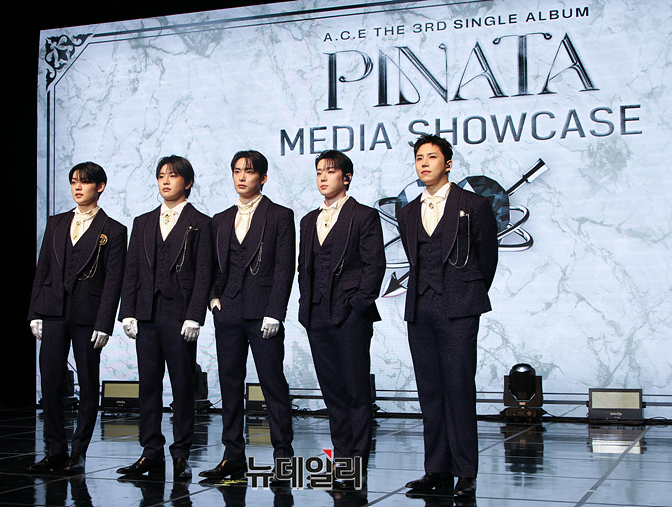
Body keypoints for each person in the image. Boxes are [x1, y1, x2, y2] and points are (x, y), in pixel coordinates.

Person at [397, 135, 498, 498]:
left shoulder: (474, 204)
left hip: (459, 307)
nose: (424, 163)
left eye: (432, 157)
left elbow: (487, 259)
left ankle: (465, 472)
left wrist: (465, 290)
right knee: (429, 391)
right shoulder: (407, 211)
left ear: (449, 164)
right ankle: (437, 469)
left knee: (459, 388)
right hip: (420, 308)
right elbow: (414, 256)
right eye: (419, 158)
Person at [199, 150, 295, 480]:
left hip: (263, 314)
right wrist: (213, 298)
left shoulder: (280, 215)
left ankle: (283, 457)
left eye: (249, 171)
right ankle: (233, 456)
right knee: (229, 385)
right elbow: (213, 265)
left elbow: (284, 268)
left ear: (263, 178)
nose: (242, 177)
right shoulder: (220, 219)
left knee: (273, 385)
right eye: (237, 171)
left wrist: (275, 312)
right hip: (228, 312)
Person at [116, 155, 213, 479]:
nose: (165, 181)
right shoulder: (143, 222)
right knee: (148, 385)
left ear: (187, 182)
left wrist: (195, 315)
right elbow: (131, 269)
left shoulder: (201, 222)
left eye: (172, 176)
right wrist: (127, 311)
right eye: (161, 176)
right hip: (146, 314)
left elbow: (204, 273)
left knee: (183, 386)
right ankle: (151, 452)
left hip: (179, 315)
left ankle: (181, 453)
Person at [28, 161, 127, 474]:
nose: (77, 187)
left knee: (87, 383)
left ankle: (78, 452)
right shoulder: (56, 223)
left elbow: (113, 281)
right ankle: (55, 450)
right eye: (74, 182)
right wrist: (35, 312)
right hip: (53, 311)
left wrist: (104, 323)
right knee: (50, 382)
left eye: (84, 182)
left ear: (100, 187)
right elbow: (43, 269)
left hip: (88, 316)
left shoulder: (114, 230)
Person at [297, 150, 385, 489]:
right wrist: (305, 306)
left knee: (355, 391)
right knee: (332, 393)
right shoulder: (308, 220)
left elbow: (375, 265)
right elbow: (304, 268)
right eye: (319, 171)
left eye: (330, 171)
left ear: (346, 177)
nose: (323, 177)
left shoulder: (363, 215)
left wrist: (358, 304)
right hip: (317, 314)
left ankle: (355, 463)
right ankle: (342, 459)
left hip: (350, 315)